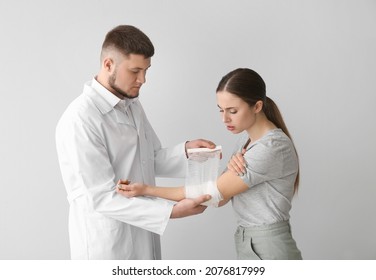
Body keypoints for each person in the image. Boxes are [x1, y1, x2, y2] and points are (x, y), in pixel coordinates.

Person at [55, 25, 214, 260]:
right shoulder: (81, 118)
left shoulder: (132, 105)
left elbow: (149, 158)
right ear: (108, 64)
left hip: (142, 235)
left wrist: (187, 152)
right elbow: (100, 197)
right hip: (108, 245)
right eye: (135, 71)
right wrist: (171, 211)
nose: (143, 80)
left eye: (146, 70)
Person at [117, 68, 302, 260]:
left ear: (257, 106)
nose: (225, 119)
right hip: (248, 240)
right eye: (221, 110)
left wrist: (147, 189)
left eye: (233, 111)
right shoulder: (246, 142)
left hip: (269, 245)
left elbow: (213, 193)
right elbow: (219, 199)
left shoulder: (272, 147)